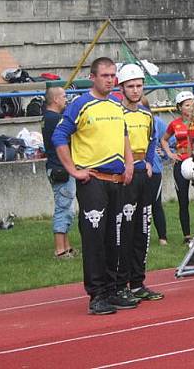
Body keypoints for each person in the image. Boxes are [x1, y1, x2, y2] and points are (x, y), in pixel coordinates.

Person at [52, 57, 136, 315]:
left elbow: (123, 135)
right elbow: (59, 136)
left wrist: (129, 163)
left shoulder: (115, 104)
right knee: (94, 239)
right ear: (93, 77)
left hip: (116, 181)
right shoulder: (80, 105)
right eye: (105, 76)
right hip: (93, 181)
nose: (111, 80)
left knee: (114, 239)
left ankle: (112, 290)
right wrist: (73, 170)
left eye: (113, 76)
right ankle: (97, 294)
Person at [115, 64, 163, 302]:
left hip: (143, 175)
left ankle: (137, 282)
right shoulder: (116, 114)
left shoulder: (146, 114)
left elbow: (152, 139)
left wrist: (149, 161)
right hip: (125, 177)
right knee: (124, 230)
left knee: (143, 230)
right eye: (130, 86)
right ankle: (120, 282)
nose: (135, 91)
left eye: (139, 86)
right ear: (121, 88)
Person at [161, 90, 194, 244]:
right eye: (186, 105)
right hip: (181, 162)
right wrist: (170, 153)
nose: (190, 107)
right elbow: (164, 139)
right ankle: (186, 236)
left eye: (191, 104)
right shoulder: (174, 124)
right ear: (180, 107)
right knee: (183, 200)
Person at [42, 85, 76, 259]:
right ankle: (60, 250)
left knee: (67, 208)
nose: (66, 99)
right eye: (64, 96)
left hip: (55, 167)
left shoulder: (47, 118)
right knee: (63, 208)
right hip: (61, 168)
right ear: (55, 99)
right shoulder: (56, 119)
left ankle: (66, 246)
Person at [150, 111, 169, 245]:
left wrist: (164, 154)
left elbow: (169, 141)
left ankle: (162, 237)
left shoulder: (157, 122)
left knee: (156, 203)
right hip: (134, 170)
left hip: (155, 170)